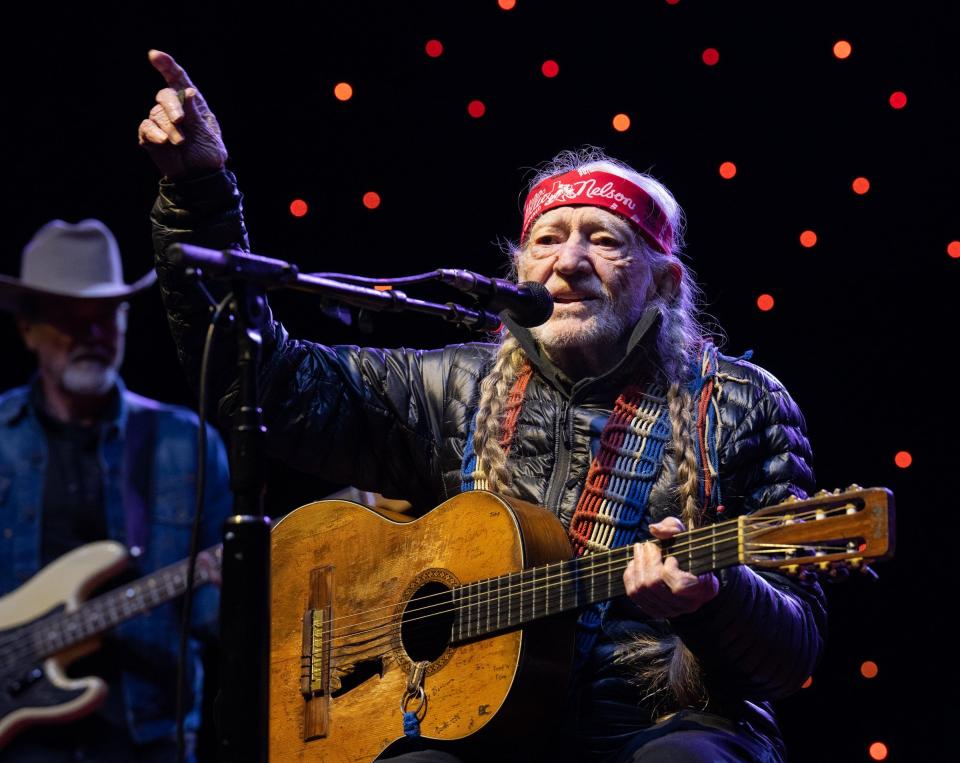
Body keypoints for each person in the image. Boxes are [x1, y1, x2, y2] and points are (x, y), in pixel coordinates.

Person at [139, 49, 826, 762]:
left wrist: (713, 600)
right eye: (547, 240)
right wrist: (198, 196)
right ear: (518, 271)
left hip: (660, 724)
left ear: (661, 280)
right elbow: (266, 385)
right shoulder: (449, 387)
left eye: (605, 240)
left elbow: (793, 648)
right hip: (473, 725)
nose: (569, 260)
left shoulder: (742, 401)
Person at [0, 218, 232, 761]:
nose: (91, 336)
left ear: (126, 322)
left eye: (104, 316)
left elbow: (212, 623)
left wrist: (235, 584)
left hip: (148, 735)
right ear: (28, 329)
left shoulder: (186, 443)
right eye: (67, 319)